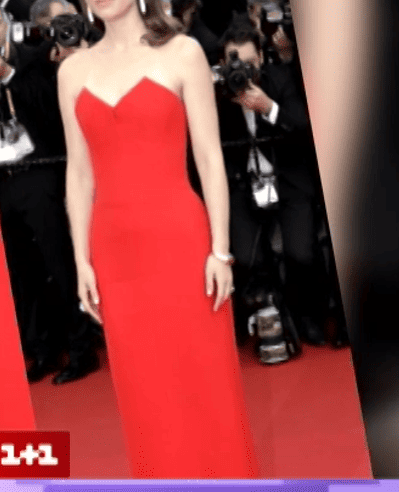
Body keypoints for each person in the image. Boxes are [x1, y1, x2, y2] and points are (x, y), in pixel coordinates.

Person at [57, 0, 258, 478]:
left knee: (205, 383)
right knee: (143, 392)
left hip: (182, 244)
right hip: (115, 255)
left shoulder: (183, 53)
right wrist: (82, 259)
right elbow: (79, 174)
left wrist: (220, 250)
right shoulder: (72, 71)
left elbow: (209, 158)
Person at [0, 0, 100, 385]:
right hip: (0, 179)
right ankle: (41, 350)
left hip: (38, 173)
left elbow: (49, 109)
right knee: (20, 273)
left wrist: (8, 75)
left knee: (58, 264)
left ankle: (81, 350)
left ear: (8, 21)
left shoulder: (34, 57)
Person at [215, 17, 328, 346]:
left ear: (262, 58)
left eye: (250, 63)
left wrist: (269, 109)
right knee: (245, 258)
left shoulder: (280, 79)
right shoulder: (216, 92)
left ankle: (307, 316)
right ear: (223, 64)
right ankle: (263, 314)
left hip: (288, 178)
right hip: (243, 183)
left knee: (301, 254)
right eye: (235, 63)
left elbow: (304, 126)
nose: (243, 71)